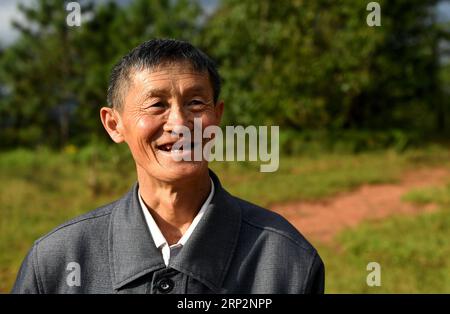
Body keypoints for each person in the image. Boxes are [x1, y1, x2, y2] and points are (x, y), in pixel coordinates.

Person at [11, 39, 324, 294]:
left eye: (196, 104)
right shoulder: (58, 261)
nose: (180, 123)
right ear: (114, 124)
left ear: (217, 117)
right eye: (157, 104)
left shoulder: (285, 259)